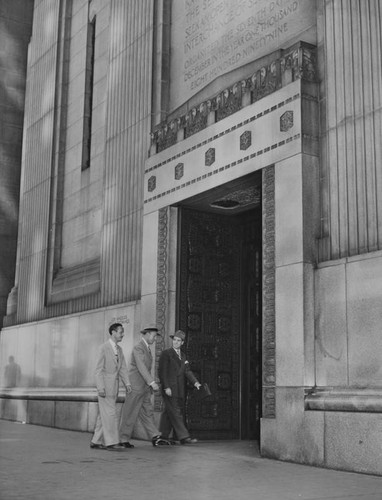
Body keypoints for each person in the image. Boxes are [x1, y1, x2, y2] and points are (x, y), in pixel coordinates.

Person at [119, 324, 171, 447]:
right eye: (153, 336)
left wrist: (149, 384)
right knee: (130, 412)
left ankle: (155, 436)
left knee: (147, 412)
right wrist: (152, 382)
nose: (155, 339)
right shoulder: (138, 348)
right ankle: (123, 439)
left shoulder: (146, 348)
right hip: (136, 386)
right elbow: (141, 366)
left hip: (144, 388)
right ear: (147, 334)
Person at [90, 323, 132, 451]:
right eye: (121, 332)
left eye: (123, 332)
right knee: (111, 414)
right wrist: (100, 388)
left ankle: (96, 441)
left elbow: (123, 368)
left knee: (104, 415)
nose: (123, 335)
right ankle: (112, 442)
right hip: (105, 388)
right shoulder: (103, 348)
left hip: (114, 388)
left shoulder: (119, 350)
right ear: (113, 332)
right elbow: (98, 370)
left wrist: (128, 383)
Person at [158, 329, 201, 444]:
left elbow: (187, 371)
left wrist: (196, 383)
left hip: (179, 389)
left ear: (182, 343)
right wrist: (166, 387)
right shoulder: (166, 353)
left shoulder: (183, 356)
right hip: (169, 389)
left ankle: (163, 436)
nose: (175, 342)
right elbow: (162, 372)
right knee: (176, 412)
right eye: (174, 340)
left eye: (178, 341)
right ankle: (184, 436)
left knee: (169, 412)